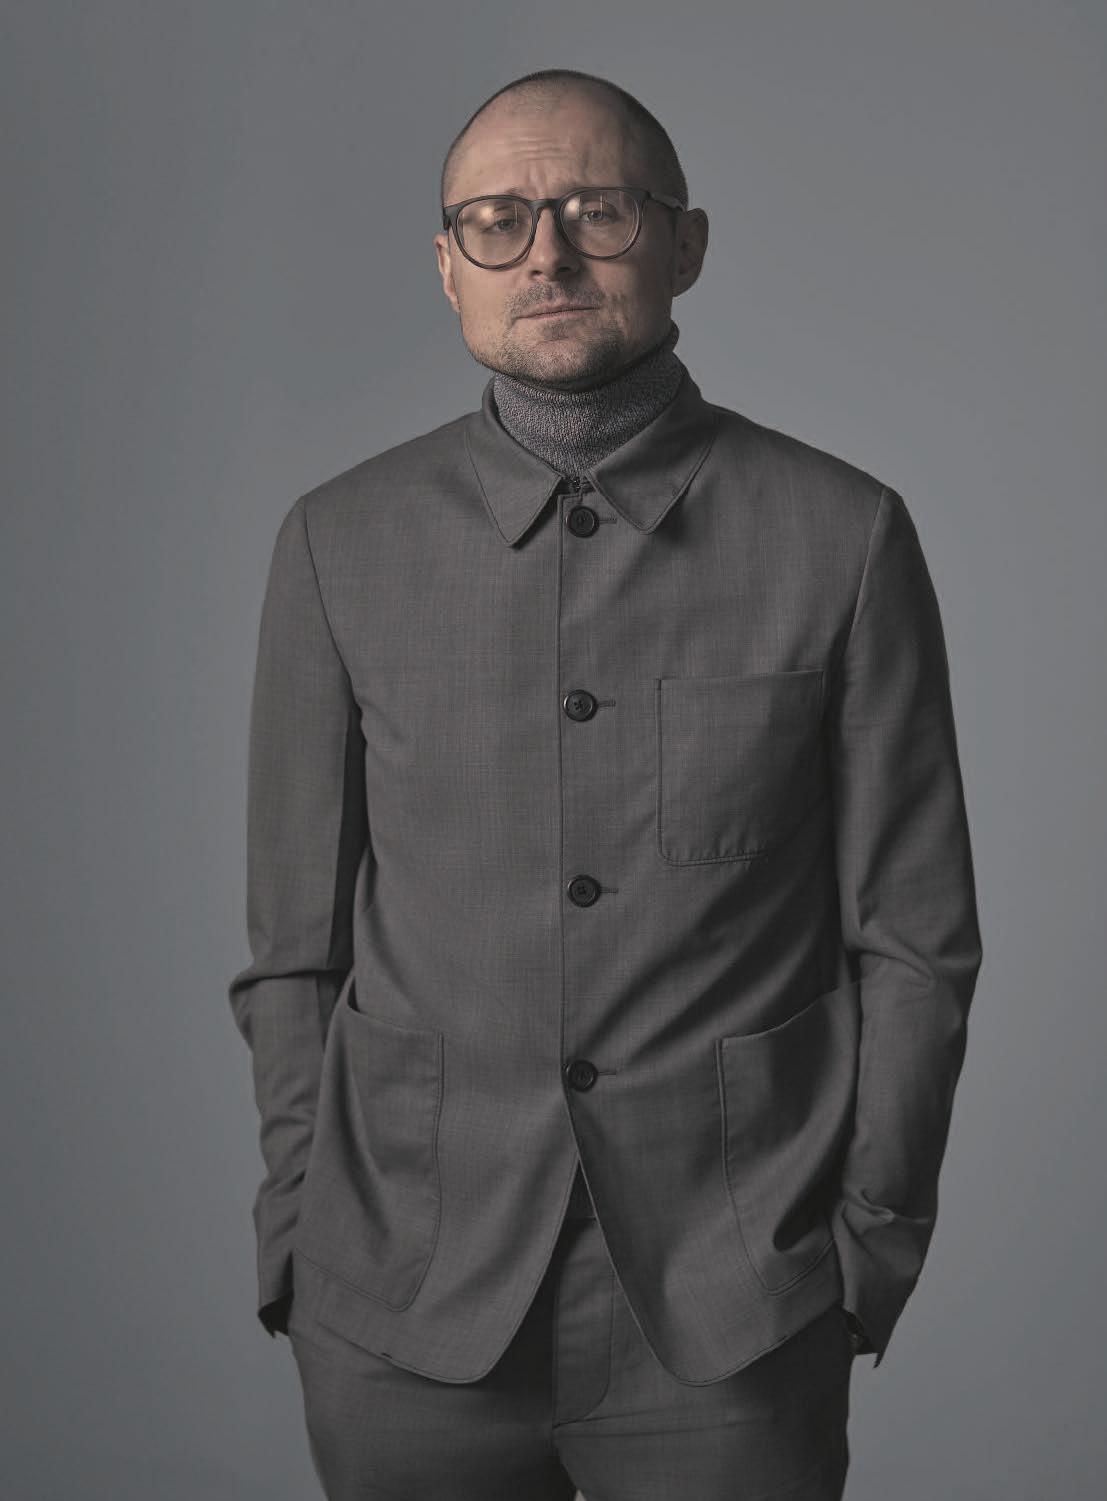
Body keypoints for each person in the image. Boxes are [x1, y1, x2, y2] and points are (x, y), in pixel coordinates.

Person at [228, 66, 982, 1501]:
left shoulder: (844, 536)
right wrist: (299, 1235)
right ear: (447, 265)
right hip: (400, 1300)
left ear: (686, 243)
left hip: (736, 1303)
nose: (549, 256)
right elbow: (294, 950)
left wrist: (864, 1250)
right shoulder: (336, 544)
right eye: (499, 221)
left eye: (598, 212)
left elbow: (915, 941)